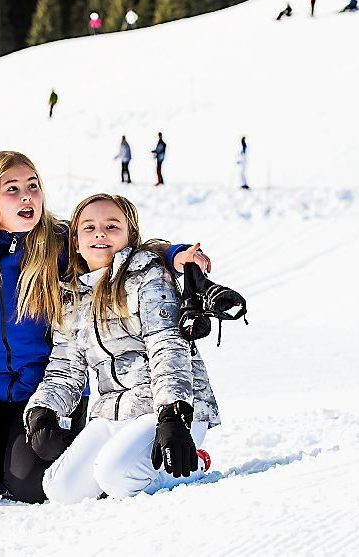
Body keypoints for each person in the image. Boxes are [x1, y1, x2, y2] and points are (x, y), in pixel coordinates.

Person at [0, 151, 210, 503]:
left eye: (33, 186)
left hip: (44, 387)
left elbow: (122, 245)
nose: (27, 197)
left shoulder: (58, 241)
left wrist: (175, 254)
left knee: (32, 490)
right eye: (13, 189)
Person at [25, 194, 222, 503]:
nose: (100, 233)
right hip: (112, 412)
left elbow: (167, 346)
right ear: (75, 242)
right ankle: (132, 464)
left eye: (111, 226)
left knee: (115, 477)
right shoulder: (71, 298)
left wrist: (173, 415)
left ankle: (192, 461)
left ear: (130, 236)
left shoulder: (150, 276)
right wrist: (43, 411)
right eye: (89, 227)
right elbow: (65, 368)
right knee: (60, 489)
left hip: (170, 412)